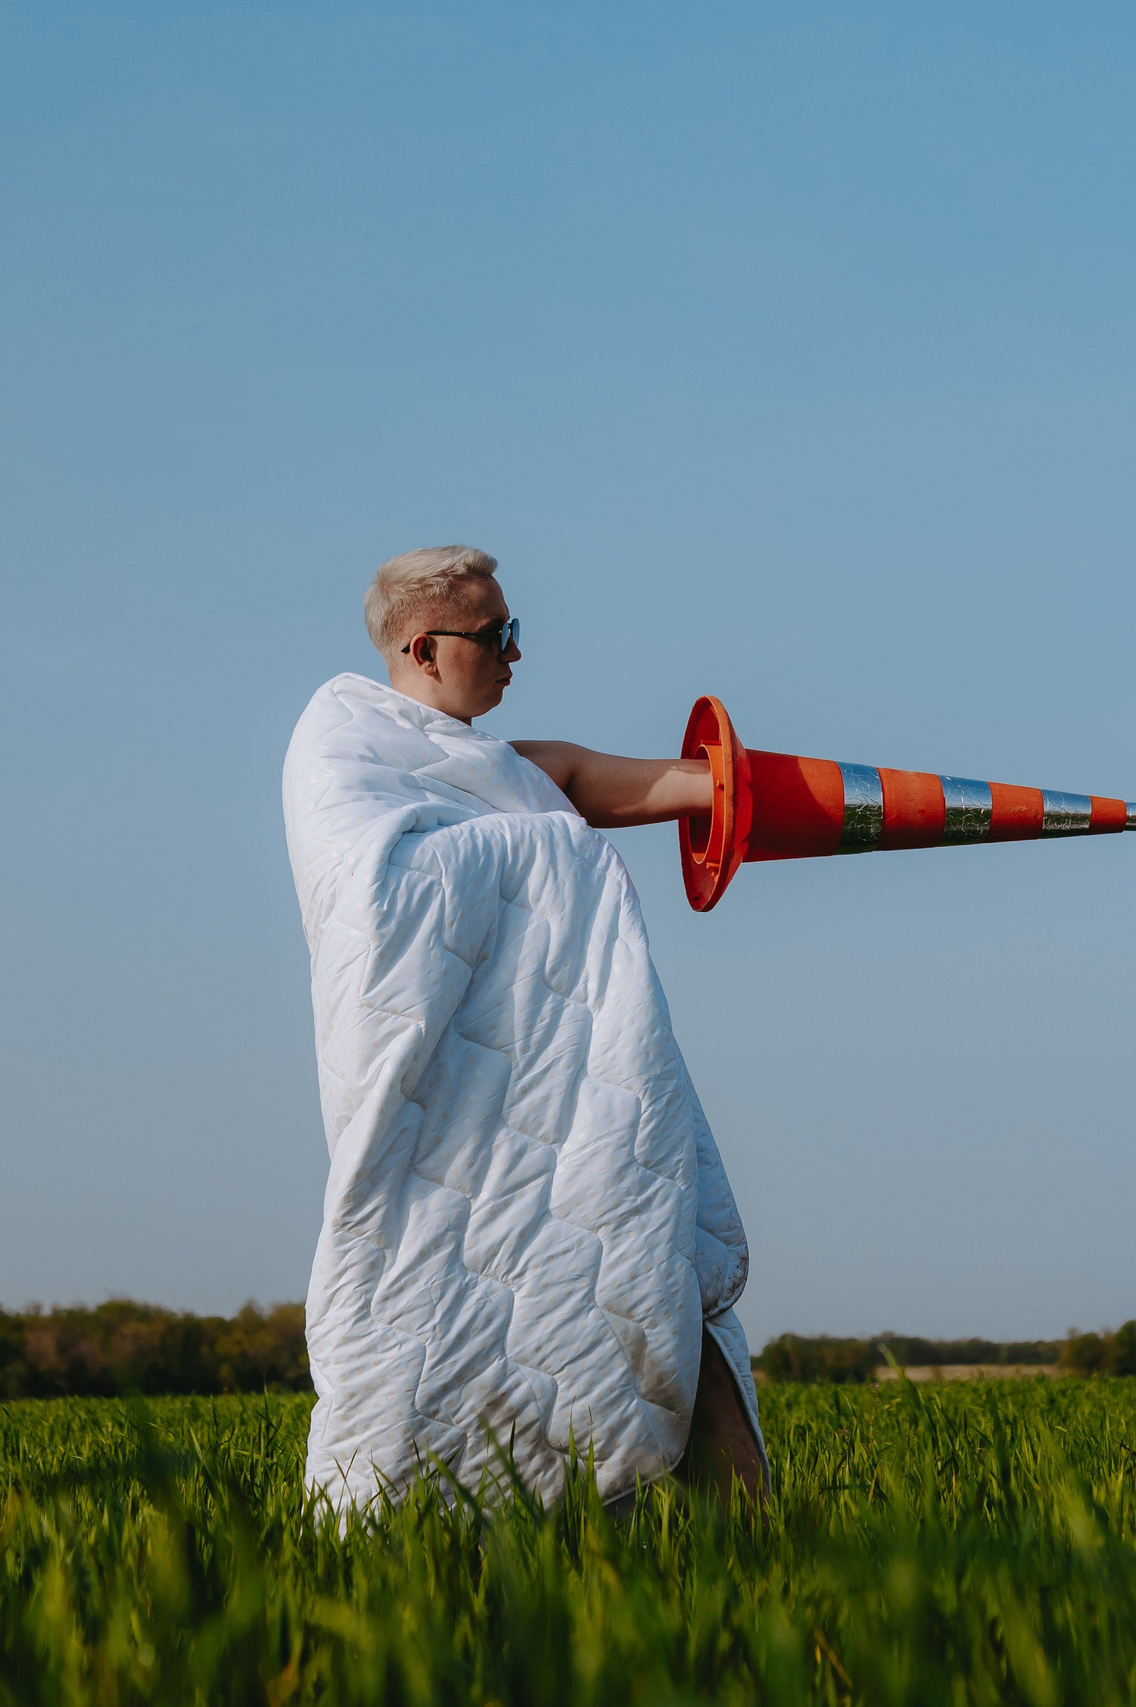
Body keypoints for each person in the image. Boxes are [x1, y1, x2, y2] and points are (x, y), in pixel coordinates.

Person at [281, 544, 766, 1510]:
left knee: (655, 1262)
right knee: (440, 1304)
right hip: (444, 1117)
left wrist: (724, 790)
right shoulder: (344, 755)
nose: (514, 652)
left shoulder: (478, 766)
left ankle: (763, 1560)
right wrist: (551, 855)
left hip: (559, 1096)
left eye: (515, 630)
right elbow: (378, 898)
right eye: (496, 634)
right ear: (424, 647)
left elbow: (572, 778)